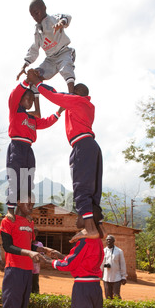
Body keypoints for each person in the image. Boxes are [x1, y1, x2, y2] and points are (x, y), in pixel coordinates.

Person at [27, 69, 104, 243]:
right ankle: (99, 226)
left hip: (82, 146)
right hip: (92, 146)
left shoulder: (76, 101)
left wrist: (37, 83)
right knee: (93, 191)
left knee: (81, 188)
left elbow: (54, 95)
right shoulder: (87, 105)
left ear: (76, 94)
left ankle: (90, 229)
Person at [6, 78, 63, 220]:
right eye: (28, 98)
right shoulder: (15, 110)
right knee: (15, 178)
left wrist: (58, 112)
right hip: (17, 146)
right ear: (20, 99)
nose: (30, 102)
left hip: (29, 149)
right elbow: (14, 94)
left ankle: (24, 212)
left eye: (33, 100)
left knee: (28, 180)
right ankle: (10, 210)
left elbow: (45, 122)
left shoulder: (32, 118)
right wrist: (27, 81)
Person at [0, 194, 45, 308]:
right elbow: (8, 246)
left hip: (28, 271)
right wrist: (29, 253)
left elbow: (30, 246)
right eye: (28, 201)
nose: (31, 204)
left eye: (33, 202)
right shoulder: (8, 221)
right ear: (18, 202)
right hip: (14, 269)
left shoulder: (29, 223)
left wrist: (43, 249)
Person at [17, 0, 75, 94]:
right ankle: (37, 107)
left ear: (44, 8)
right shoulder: (37, 31)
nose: (35, 17)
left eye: (36, 13)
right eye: (33, 16)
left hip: (64, 53)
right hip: (50, 60)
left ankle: (72, 95)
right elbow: (34, 49)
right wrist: (24, 66)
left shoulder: (53, 18)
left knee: (66, 68)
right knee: (34, 76)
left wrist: (61, 23)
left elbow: (67, 17)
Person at [102, 235, 127, 299]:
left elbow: (122, 264)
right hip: (106, 278)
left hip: (116, 277)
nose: (108, 241)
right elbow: (101, 264)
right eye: (107, 240)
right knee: (108, 296)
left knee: (116, 295)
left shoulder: (119, 251)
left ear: (113, 241)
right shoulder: (104, 251)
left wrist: (124, 277)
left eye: (110, 240)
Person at [31, 228, 44, 293]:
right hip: (26, 267)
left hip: (35, 268)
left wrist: (38, 259)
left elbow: (42, 255)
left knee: (35, 283)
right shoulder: (26, 243)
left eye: (35, 233)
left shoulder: (39, 244)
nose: (33, 235)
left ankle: (35, 297)